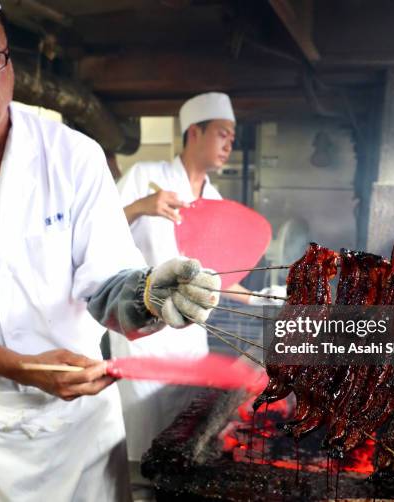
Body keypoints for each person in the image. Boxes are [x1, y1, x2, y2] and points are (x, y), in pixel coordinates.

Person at [0, 2, 219, 501]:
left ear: (9, 60)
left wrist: (150, 297)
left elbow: (107, 282)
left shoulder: (74, 155)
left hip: (80, 430)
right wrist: (18, 367)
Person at [112, 92, 276, 473]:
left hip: (188, 337)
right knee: (142, 440)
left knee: (180, 438)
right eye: (222, 133)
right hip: (144, 335)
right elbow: (99, 233)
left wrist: (261, 298)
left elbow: (217, 277)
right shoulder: (144, 177)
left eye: (232, 137)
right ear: (194, 134)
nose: (228, 144)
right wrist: (142, 207)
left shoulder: (214, 200)